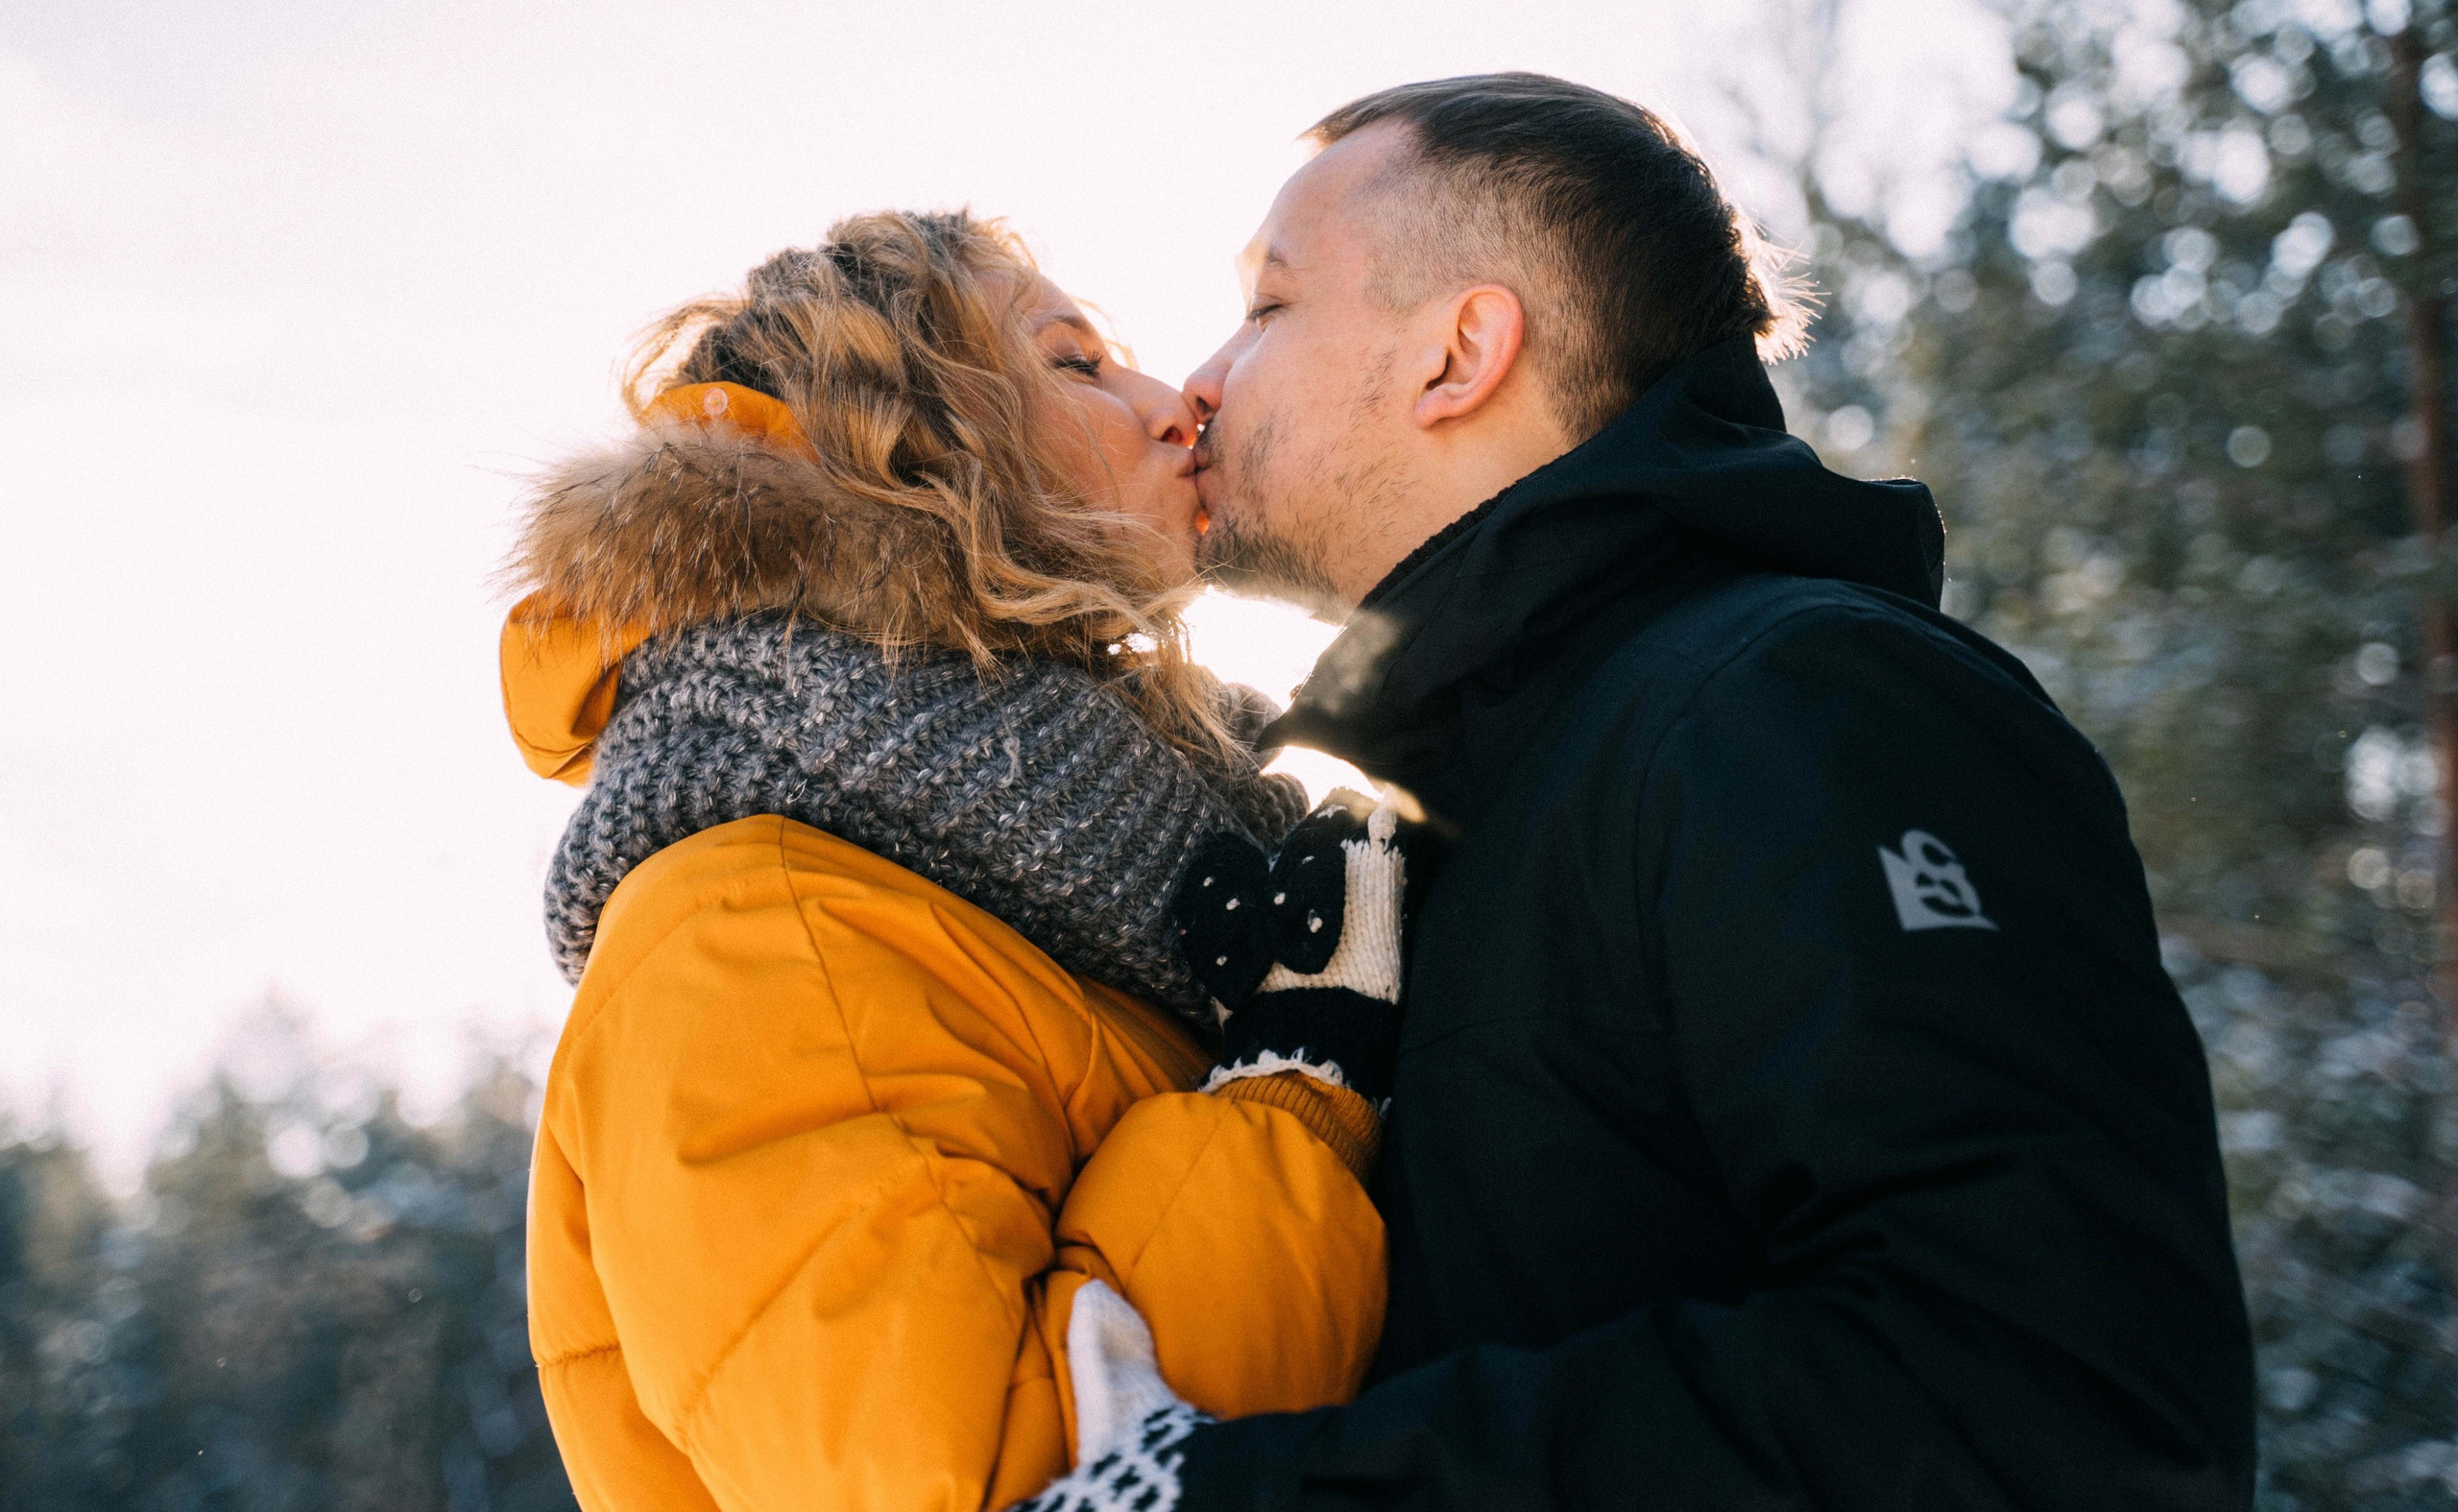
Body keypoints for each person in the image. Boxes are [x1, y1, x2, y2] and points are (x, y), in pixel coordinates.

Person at [1017, 75, 2256, 1511]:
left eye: (1272, 305)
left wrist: (1243, 1498)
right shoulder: (1427, 813)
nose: (1205, 379)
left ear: (1459, 353)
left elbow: (2050, 1406)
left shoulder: (1805, 706)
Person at [496, 210, 1408, 1512]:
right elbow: (982, 1483)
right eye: (1077, 363)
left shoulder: (1071, 857)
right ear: (916, 452)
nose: (1177, 405)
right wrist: (1291, 1100)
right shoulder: (752, 935)